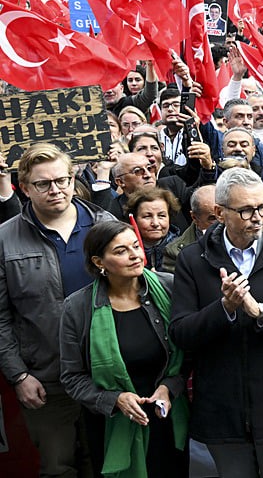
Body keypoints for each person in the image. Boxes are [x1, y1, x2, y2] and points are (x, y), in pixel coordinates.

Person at [170, 167, 263, 478]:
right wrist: (223, 309)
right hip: (221, 409)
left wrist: (261, 312)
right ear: (219, 213)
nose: (258, 217)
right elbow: (181, 332)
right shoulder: (193, 259)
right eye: (246, 210)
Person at [0, 144, 116, 477]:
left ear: (73, 178)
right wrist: (18, 375)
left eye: (62, 180)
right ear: (25, 188)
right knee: (58, 467)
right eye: (43, 184)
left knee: (110, 465)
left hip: (106, 373)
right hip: (46, 378)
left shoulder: (105, 225)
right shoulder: (5, 239)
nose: (56, 190)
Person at [60, 221, 189, 477]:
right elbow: (72, 376)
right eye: (121, 251)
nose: (134, 255)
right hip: (111, 423)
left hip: (165, 416)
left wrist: (169, 387)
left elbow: (189, 352)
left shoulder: (169, 287)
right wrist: (115, 400)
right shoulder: (77, 307)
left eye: (136, 246)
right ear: (99, 262)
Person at [163, 185, 217, 273]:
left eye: (223, 214)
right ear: (194, 217)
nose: (221, 222)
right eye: (213, 218)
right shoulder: (175, 253)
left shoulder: (239, 239)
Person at [127, 187, 181, 272]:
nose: (155, 223)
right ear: (134, 219)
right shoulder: (126, 252)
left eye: (161, 216)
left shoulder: (182, 250)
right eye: (147, 216)